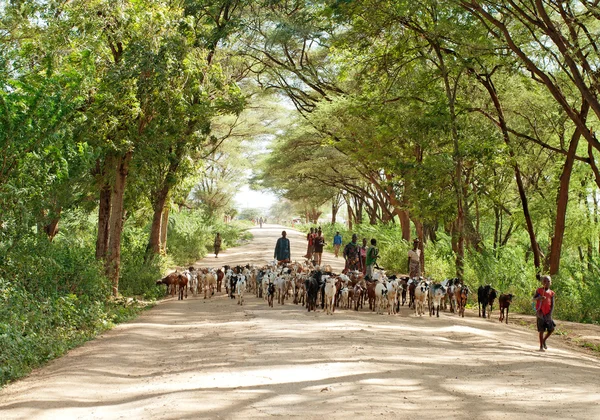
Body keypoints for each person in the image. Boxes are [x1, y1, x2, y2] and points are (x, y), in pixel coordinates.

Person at [533, 275, 556, 351]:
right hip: (540, 313)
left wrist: (550, 314)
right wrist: (539, 298)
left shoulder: (551, 293)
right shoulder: (539, 290)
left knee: (551, 329)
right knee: (541, 330)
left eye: (548, 281)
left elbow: (552, 304)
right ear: (542, 282)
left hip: (548, 314)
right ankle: (541, 346)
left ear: (551, 283)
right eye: (545, 281)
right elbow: (534, 299)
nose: (547, 283)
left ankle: (544, 340)